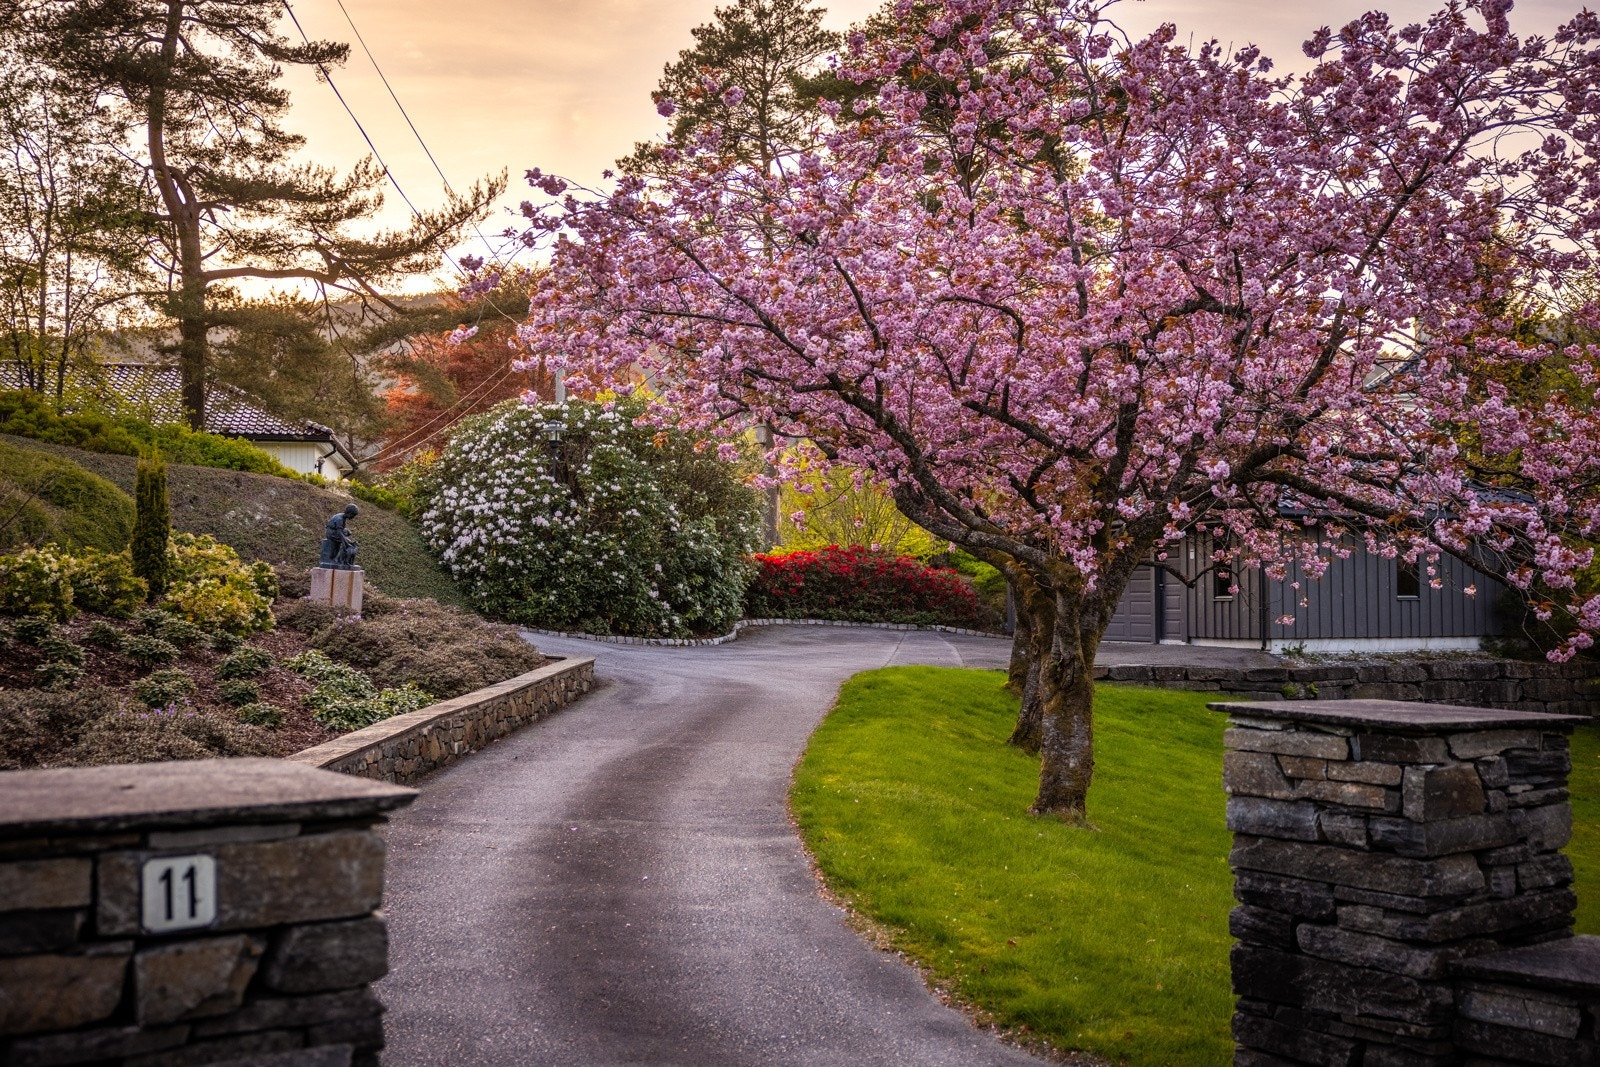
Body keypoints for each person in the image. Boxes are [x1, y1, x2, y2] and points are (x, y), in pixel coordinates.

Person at [319, 504, 360, 569]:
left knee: (346, 532)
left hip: (335, 531)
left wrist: (347, 540)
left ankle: (341, 559)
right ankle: (340, 560)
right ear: (350, 513)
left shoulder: (342, 517)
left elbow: (341, 530)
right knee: (344, 540)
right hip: (331, 533)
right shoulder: (340, 519)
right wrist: (346, 543)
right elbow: (340, 533)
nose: (353, 517)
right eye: (353, 515)